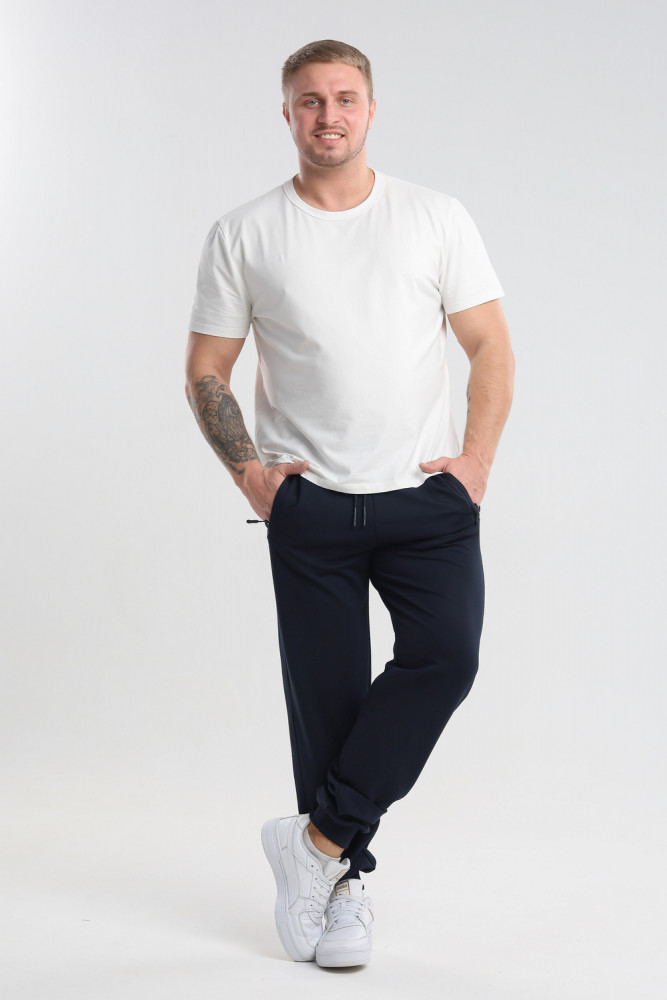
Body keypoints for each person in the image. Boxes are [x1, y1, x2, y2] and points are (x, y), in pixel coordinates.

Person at [185, 38, 514, 969]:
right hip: (311, 507)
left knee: (445, 658)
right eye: (309, 100)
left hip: (424, 499)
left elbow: (489, 344)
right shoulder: (245, 232)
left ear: (370, 109)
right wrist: (252, 478)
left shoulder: (433, 216)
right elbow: (206, 368)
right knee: (326, 704)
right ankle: (341, 892)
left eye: (343, 98)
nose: (327, 114)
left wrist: (475, 462)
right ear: (287, 113)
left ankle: (317, 844)